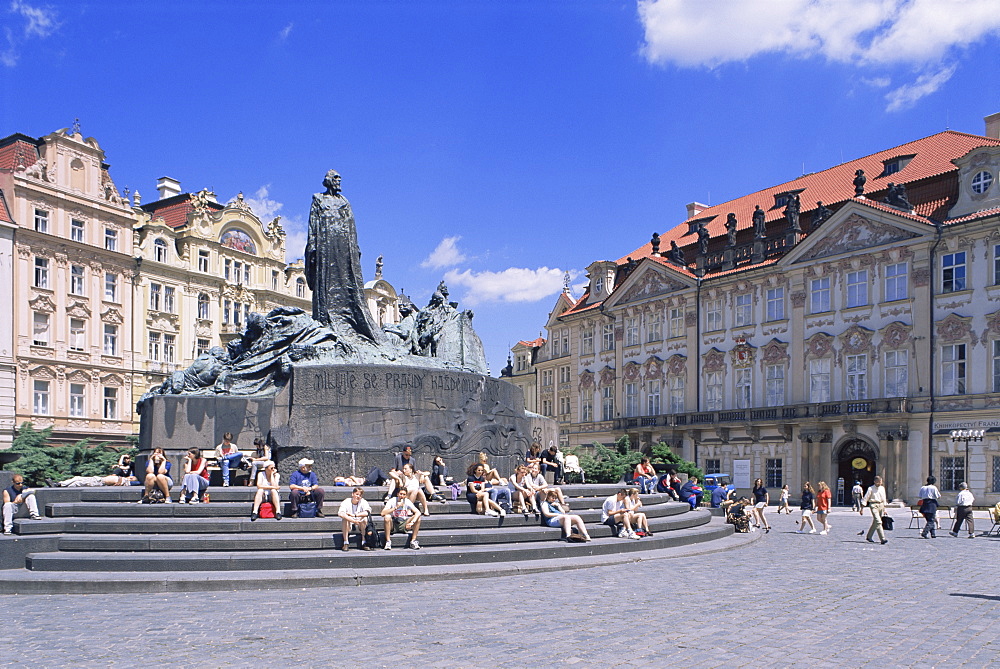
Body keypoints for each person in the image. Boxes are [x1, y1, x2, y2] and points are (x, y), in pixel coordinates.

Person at [381, 485, 422, 550]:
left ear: (406, 496)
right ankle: (388, 541)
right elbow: (382, 513)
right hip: (394, 523)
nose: (402, 496)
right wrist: (395, 507)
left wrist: (412, 522)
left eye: (404, 494)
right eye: (400, 494)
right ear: (397, 494)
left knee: (418, 518)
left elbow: (418, 512)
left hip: (404, 523)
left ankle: (413, 541)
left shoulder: (407, 501)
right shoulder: (392, 501)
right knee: (387, 517)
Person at [860, 475, 888, 544]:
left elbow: (884, 498)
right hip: (873, 505)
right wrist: (862, 508)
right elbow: (866, 498)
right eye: (878, 482)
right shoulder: (871, 488)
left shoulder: (882, 488)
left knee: (875, 522)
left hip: (881, 505)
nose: (880, 483)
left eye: (881, 482)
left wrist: (885, 509)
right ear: (875, 482)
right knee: (878, 521)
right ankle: (882, 538)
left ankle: (869, 536)